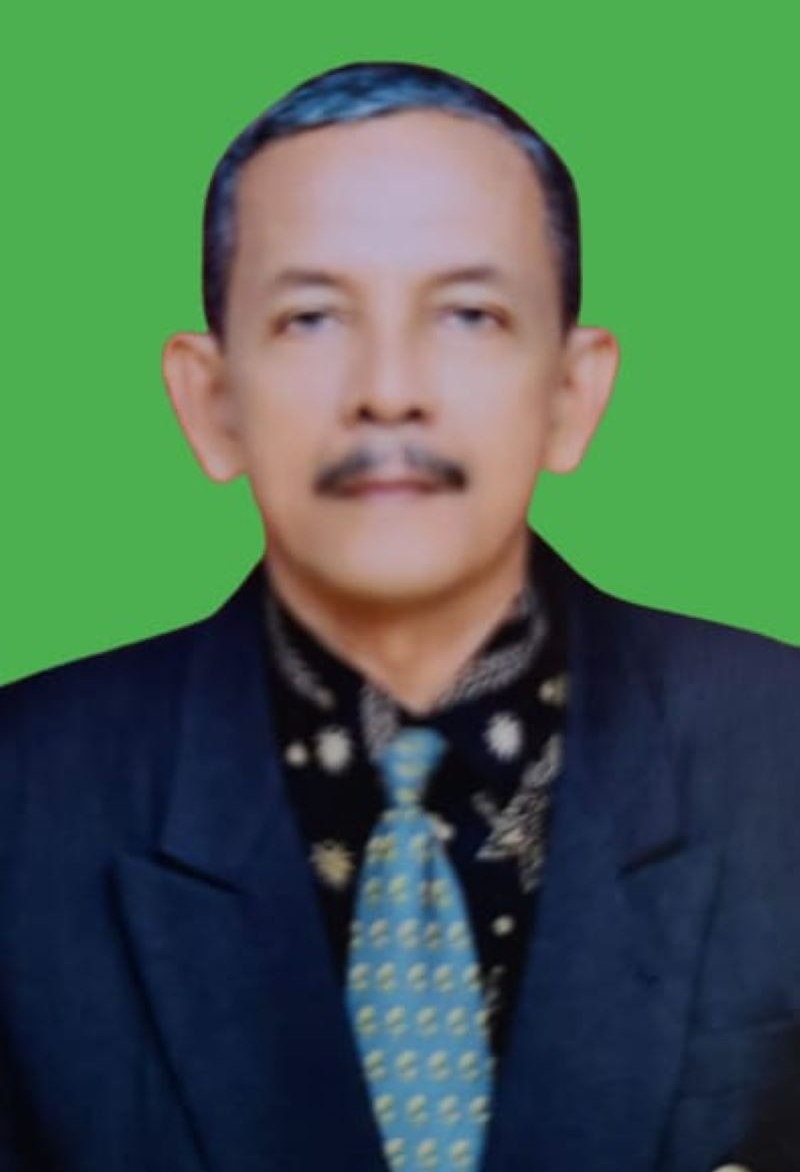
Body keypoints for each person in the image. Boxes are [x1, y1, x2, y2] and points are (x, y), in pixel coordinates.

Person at [0, 61, 798, 1172]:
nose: (388, 389)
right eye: (311, 317)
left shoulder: (779, 749)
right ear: (211, 400)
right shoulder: (21, 795)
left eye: (469, 314)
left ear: (571, 394)